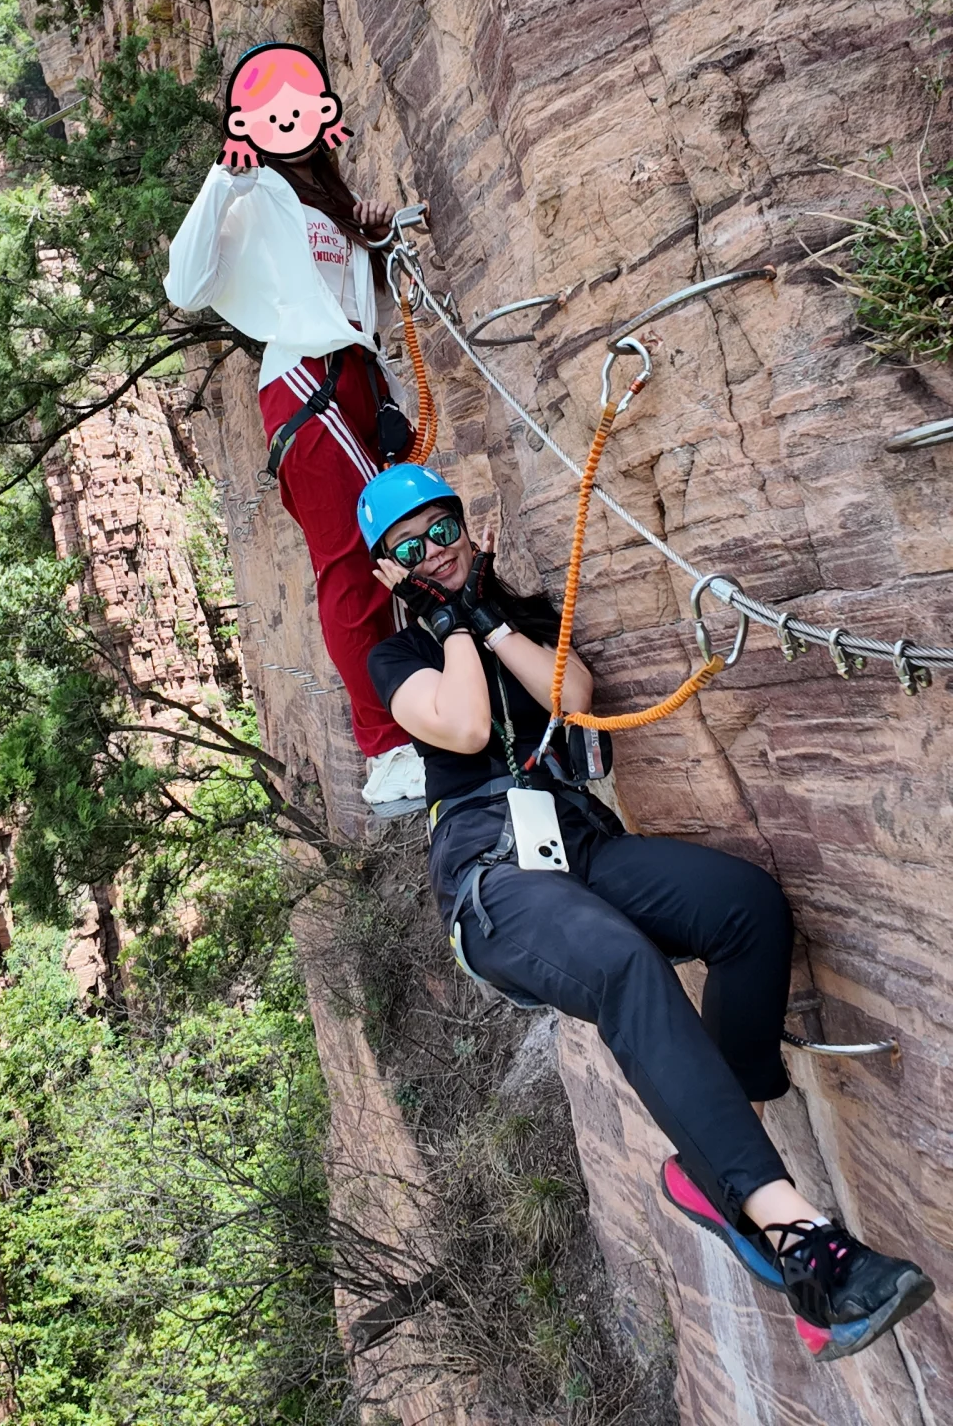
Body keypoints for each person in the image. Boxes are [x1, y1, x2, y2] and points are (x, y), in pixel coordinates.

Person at [358, 461, 935, 1363]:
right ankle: (798, 1242)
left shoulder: (524, 620)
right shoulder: (397, 655)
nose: (433, 553)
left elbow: (570, 700)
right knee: (623, 958)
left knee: (743, 907)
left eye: (442, 531)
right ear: (388, 568)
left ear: (469, 529)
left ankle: (717, 1136)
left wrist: (484, 613)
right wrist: (443, 623)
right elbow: (468, 731)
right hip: (492, 878)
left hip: (580, 845)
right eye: (409, 548)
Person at [165, 42, 424, 805]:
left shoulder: (327, 195)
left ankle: (416, 716)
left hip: (356, 382)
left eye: (300, 103)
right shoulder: (251, 195)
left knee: (395, 550)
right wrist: (224, 176)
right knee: (349, 565)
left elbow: (353, 298)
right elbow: (185, 283)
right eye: (269, 109)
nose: (289, 119)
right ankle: (384, 751)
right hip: (306, 386)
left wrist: (372, 242)